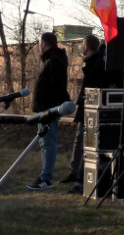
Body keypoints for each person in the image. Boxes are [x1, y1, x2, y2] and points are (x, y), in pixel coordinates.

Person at [59, 34, 108, 194]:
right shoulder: (96, 61)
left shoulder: (97, 63)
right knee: (80, 141)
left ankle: (81, 178)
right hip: (87, 106)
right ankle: (76, 173)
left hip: (91, 107)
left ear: (86, 47)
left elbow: (92, 84)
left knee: (85, 142)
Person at [27, 31, 71, 190]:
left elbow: (57, 86)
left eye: (40, 44)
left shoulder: (53, 61)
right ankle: (45, 176)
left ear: (43, 44)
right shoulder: (53, 60)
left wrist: (59, 106)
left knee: (48, 143)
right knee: (44, 142)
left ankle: (46, 179)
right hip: (47, 108)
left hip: (49, 108)